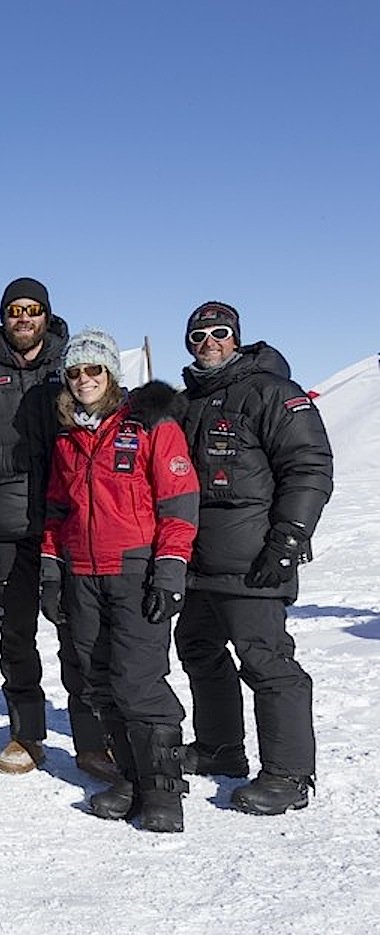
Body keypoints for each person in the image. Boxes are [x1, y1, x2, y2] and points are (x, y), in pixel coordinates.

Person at [0, 277, 114, 781]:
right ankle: (27, 734)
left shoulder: (74, 369)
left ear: (47, 314)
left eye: (33, 308)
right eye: (14, 309)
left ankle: (92, 739)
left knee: (79, 632)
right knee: (17, 635)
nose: (23, 317)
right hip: (7, 529)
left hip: (71, 525)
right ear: (3, 317)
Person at [173, 301, 334, 815]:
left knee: (266, 662)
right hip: (195, 561)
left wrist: (288, 538)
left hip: (254, 560)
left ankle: (289, 774)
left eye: (220, 333)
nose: (209, 343)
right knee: (198, 649)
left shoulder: (272, 393)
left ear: (237, 338)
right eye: (199, 336)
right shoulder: (187, 402)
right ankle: (220, 748)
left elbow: (309, 467)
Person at [40, 330, 199, 833]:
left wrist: (170, 568)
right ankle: (130, 777)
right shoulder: (67, 435)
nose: (84, 380)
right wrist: (51, 568)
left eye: (94, 370)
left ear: (111, 373)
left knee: (139, 680)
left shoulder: (149, 423)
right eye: (75, 372)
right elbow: (56, 510)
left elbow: (178, 502)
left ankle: (162, 791)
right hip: (82, 573)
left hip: (135, 571)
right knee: (97, 678)